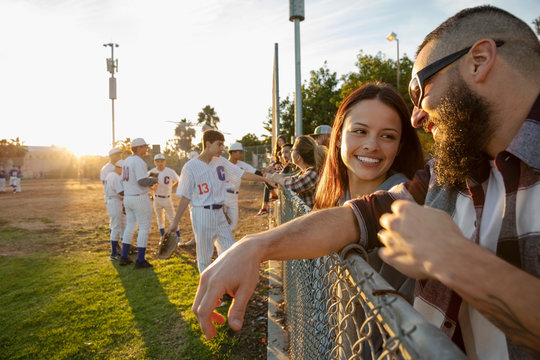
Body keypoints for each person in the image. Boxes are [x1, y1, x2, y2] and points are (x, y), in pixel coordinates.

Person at [192, 6, 540, 359]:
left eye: (420, 90)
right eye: (359, 131)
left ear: (479, 60)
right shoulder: (452, 172)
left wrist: (454, 260)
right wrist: (255, 245)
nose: (418, 117)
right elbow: (360, 215)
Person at [314, 81, 424, 300]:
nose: (371, 145)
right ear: (337, 139)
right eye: (360, 131)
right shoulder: (335, 192)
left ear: (399, 146)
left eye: (387, 136)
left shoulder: (405, 205)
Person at [166, 130, 267, 274]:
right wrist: (175, 223)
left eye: (222, 145)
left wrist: (265, 179)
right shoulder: (190, 167)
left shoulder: (220, 161)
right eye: (219, 144)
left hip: (219, 212)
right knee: (204, 257)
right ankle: (208, 294)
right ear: (208, 144)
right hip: (202, 213)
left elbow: (242, 174)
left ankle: (224, 286)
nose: (222, 148)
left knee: (229, 251)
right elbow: (185, 197)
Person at [120, 138, 158, 269]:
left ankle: (124, 257)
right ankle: (140, 260)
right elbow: (142, 181)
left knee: (130, 226)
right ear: (138, 148)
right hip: (139, 197)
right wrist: (153, 179)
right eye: (144, 146)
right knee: (144, 228)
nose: (146, 148)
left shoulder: (127, 161)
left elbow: (124, 181)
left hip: (128, 197)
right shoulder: (138, 161)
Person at [265, 135, 325, 209]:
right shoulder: (304, 172)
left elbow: (295, 185)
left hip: (316, 218)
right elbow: (293, 178)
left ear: (299, 157)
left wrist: (279, 179)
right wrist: (279, 177)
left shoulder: (314, 173)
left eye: (292, 150)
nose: (291, 151)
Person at [225, 142, 261, 230]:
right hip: (223, 195)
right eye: (239, 152)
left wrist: (268, 174)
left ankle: (221, 241)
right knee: (220, 223)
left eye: (242, 152)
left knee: (233, 225)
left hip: (234, 196)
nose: (242, 154)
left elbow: (256, 172)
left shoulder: (242, 164)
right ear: (232, 152)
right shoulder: (223, 163)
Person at [255, 143, 297, 217]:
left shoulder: (293, 165)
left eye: (286, 152)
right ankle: (267, 203)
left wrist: (272, 176)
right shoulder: (287, 165)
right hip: (290, 203)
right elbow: (281, 174)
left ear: (293, 151)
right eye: (282, 153)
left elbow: (284, 176)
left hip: (296, 204)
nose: (284, 155)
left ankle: (266, 205)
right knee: (266, 177)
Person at [148, 153, 180, 237]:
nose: (160, 163)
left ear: (165, 161)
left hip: (167, 198)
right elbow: (146, 184)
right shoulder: (152, 172)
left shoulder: (170, 171)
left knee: (172, 218)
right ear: (155, 162)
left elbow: (179, 181)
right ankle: (162, 237)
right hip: (157, 197)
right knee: (159, 218)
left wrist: (172, 187)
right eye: (157, 161)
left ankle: (179, 238)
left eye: (161, 161)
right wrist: (151, 188)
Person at [104, 159, 125, 260]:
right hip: (115, 200)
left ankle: (118, 251)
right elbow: (121, 192)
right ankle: (113, 253)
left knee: (117, 225)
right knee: (116, 226)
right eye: (123, 169)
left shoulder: (110, 175)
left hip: (111, 199)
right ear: (119, 168)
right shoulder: (115, 176)